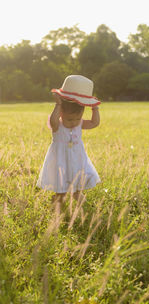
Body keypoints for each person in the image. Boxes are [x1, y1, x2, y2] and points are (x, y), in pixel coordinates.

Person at [36, 75, 101, 207]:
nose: (74, 123)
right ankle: (56, 208)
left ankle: (83, 208)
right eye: (70, 120)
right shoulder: (57, 125)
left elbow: (94, 123)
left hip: (77, 161)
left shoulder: (80, 123)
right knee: (61, 191)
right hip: (60, 162)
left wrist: (95, 108)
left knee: (77, 189)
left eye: (77, 119)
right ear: (61, 114)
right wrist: (58, 104)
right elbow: (53, 120)